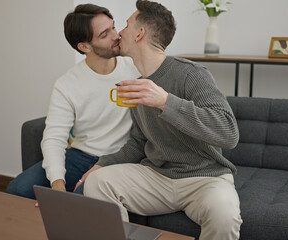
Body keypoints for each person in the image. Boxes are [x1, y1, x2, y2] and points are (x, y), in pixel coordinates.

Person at [77, 1, 242, 239]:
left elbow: (228, 132)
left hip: (205, 178)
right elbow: (138, 141)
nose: (119, 33)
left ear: (140, 33)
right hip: (157, 178)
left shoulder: (191, 74)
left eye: (126, 25)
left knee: (224, 214)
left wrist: (165, 101)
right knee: (97, 182)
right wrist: (102, 164)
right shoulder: (137, 83)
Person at [6, 4, 140, 199]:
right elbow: (54, 137)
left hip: (119, 158)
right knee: (17, 190)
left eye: (113, 27)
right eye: (104, 34)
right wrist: (57, 186)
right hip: (80, 156)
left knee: (83, 196)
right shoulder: (67, 84)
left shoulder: (135, 70)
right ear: (84, 46)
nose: (116, 35)